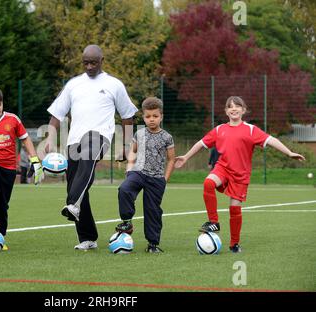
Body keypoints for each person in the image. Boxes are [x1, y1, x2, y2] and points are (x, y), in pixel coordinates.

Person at [174, 96, 305, 253]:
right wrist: (186, 157)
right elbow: (201, 144)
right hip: (222, 168)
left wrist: (289, 152)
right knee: (208, 183)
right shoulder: (219, 129)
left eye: (237, 106)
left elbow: (271, 140)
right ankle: (214, 222)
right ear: (226, 111)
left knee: (234, 208)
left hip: (240, 175)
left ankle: (234, 244)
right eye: (230, 106)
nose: (233, 108)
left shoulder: (251, 130)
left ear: (243, 110)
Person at [45, 44, 138, 251]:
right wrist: (50, 137)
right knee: (76, 186)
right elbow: (57, 113)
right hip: (73, 140)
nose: (89, 66)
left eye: (93, 62)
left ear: (102, 61)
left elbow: (127, 115)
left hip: (100, 136)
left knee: (87, 159)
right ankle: (88, 238)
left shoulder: (114, 84)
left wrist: (126, 144)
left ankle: (73, 204)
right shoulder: (73, 84)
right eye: (85, 62)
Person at [0, 85, 43, 250]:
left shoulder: (13, 119)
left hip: (9, 167)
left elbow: (25, 140)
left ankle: (0, 237)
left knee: (3, 204)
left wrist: (35, 161)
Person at [116, 97, 176, 253]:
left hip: (156, 179)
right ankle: (127, 221)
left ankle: (153, 244)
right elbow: (133, 151)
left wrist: (165, 179)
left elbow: (171, 160)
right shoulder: (139, 134)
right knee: (124, 189)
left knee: (153, 211)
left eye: (155, 116)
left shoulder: (167, 137)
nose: (151, 119)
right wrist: (129, 169)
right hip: (138, 173)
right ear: (143, 117)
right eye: (148, 116)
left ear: (161, 116)